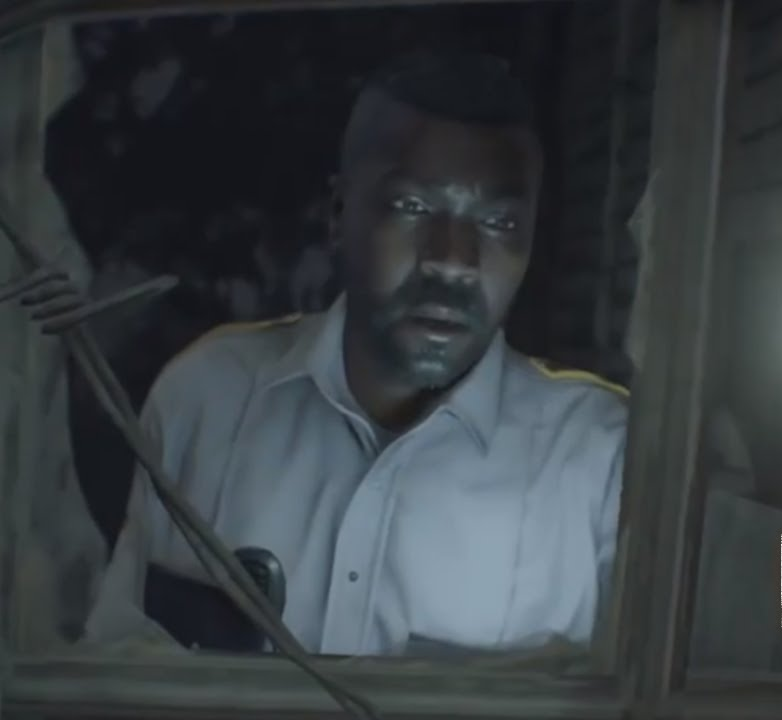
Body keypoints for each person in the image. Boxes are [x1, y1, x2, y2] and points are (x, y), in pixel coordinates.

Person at [12, 52, 628, 657]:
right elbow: (124, 663)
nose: (453, 260)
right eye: (412, 207)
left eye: (498, 222)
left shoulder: (601, 460)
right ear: (339, 215)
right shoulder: (205, 397)